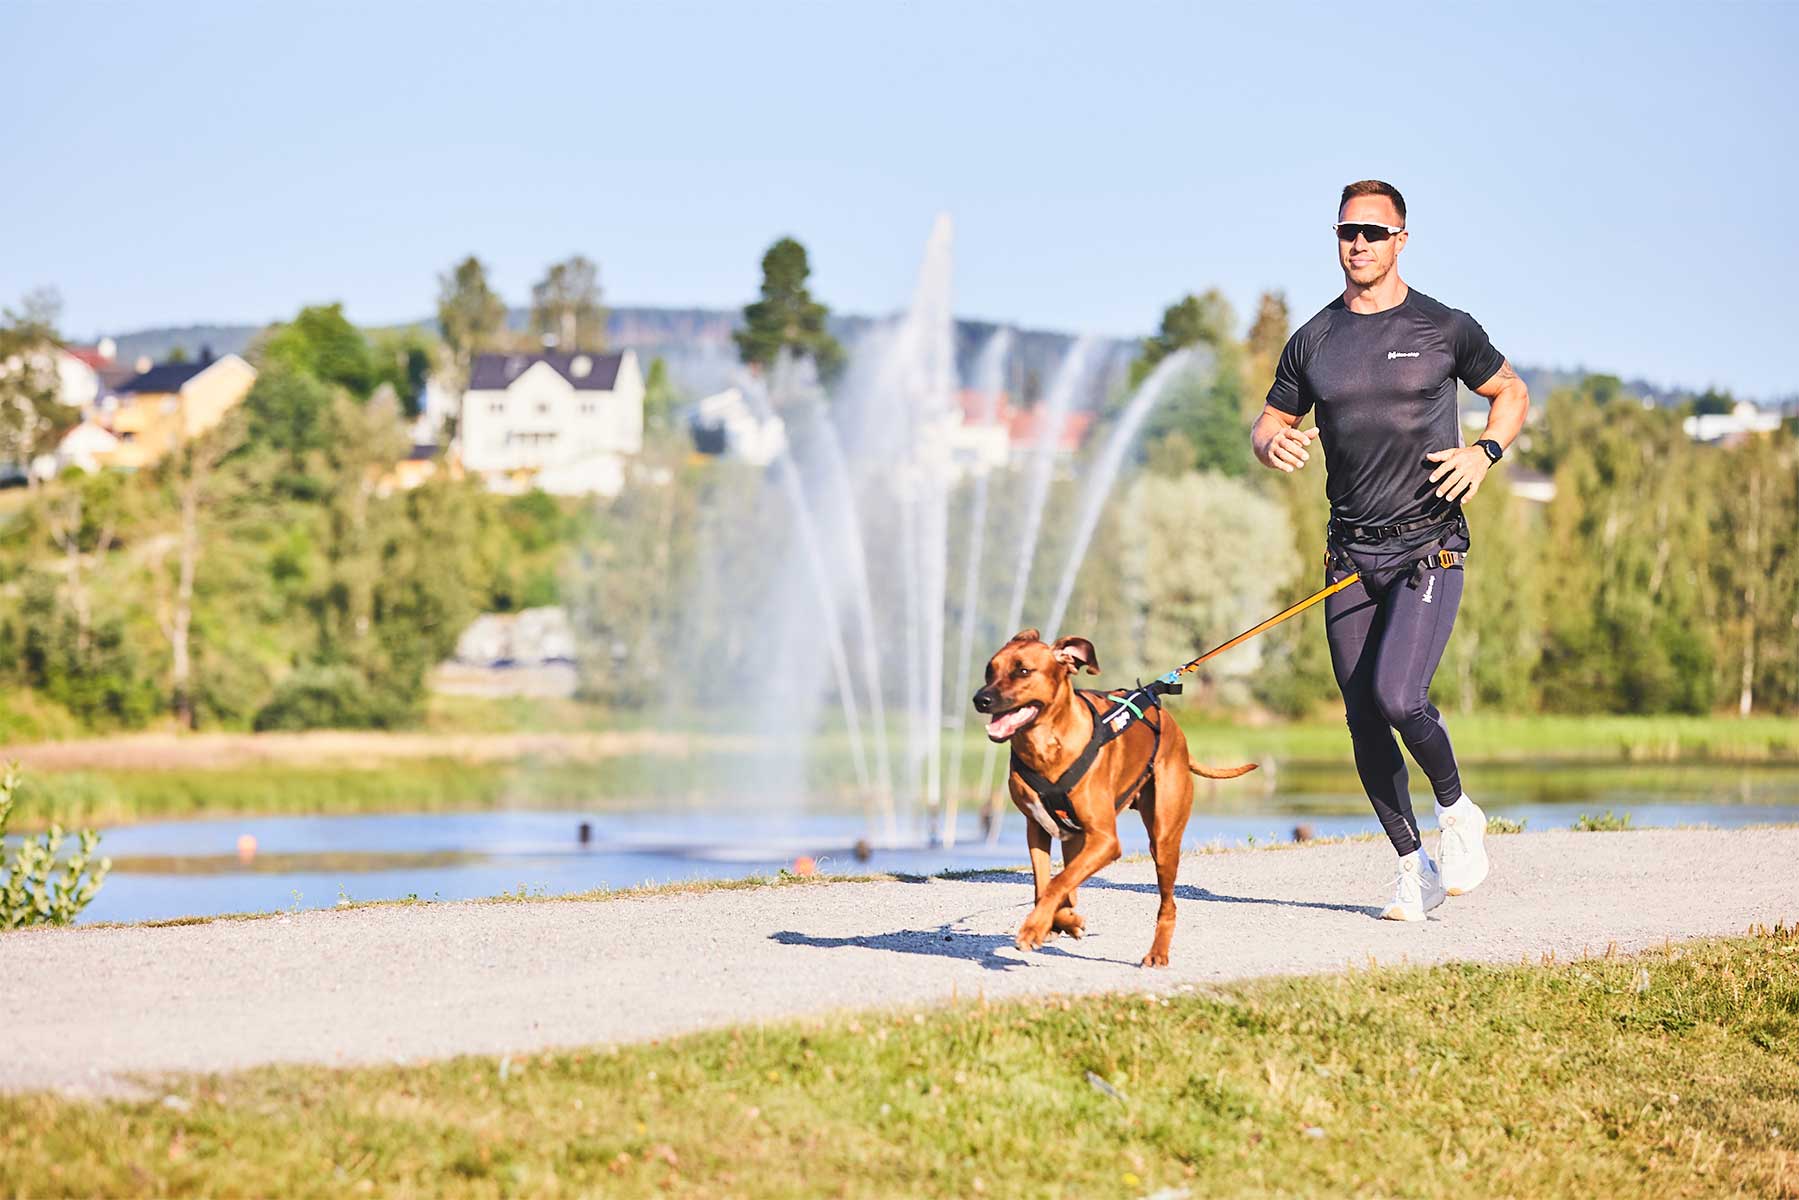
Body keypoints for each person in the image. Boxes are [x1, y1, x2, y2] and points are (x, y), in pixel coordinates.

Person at [1250, 179, 1530, 921]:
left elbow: (1512, 392)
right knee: (1360, 717)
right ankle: (1413, 868)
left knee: (1398, 696)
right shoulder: (1314, 338)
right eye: (1348, 231)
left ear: (1401, 239)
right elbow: (1269, 417)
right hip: (1349, 556)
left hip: (1426, 546)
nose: (1359, 243)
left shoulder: (1443, 326)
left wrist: (1484, 452)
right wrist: (1268, 439)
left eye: (1374, 232)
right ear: (1335, 239)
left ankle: (1458, 812)